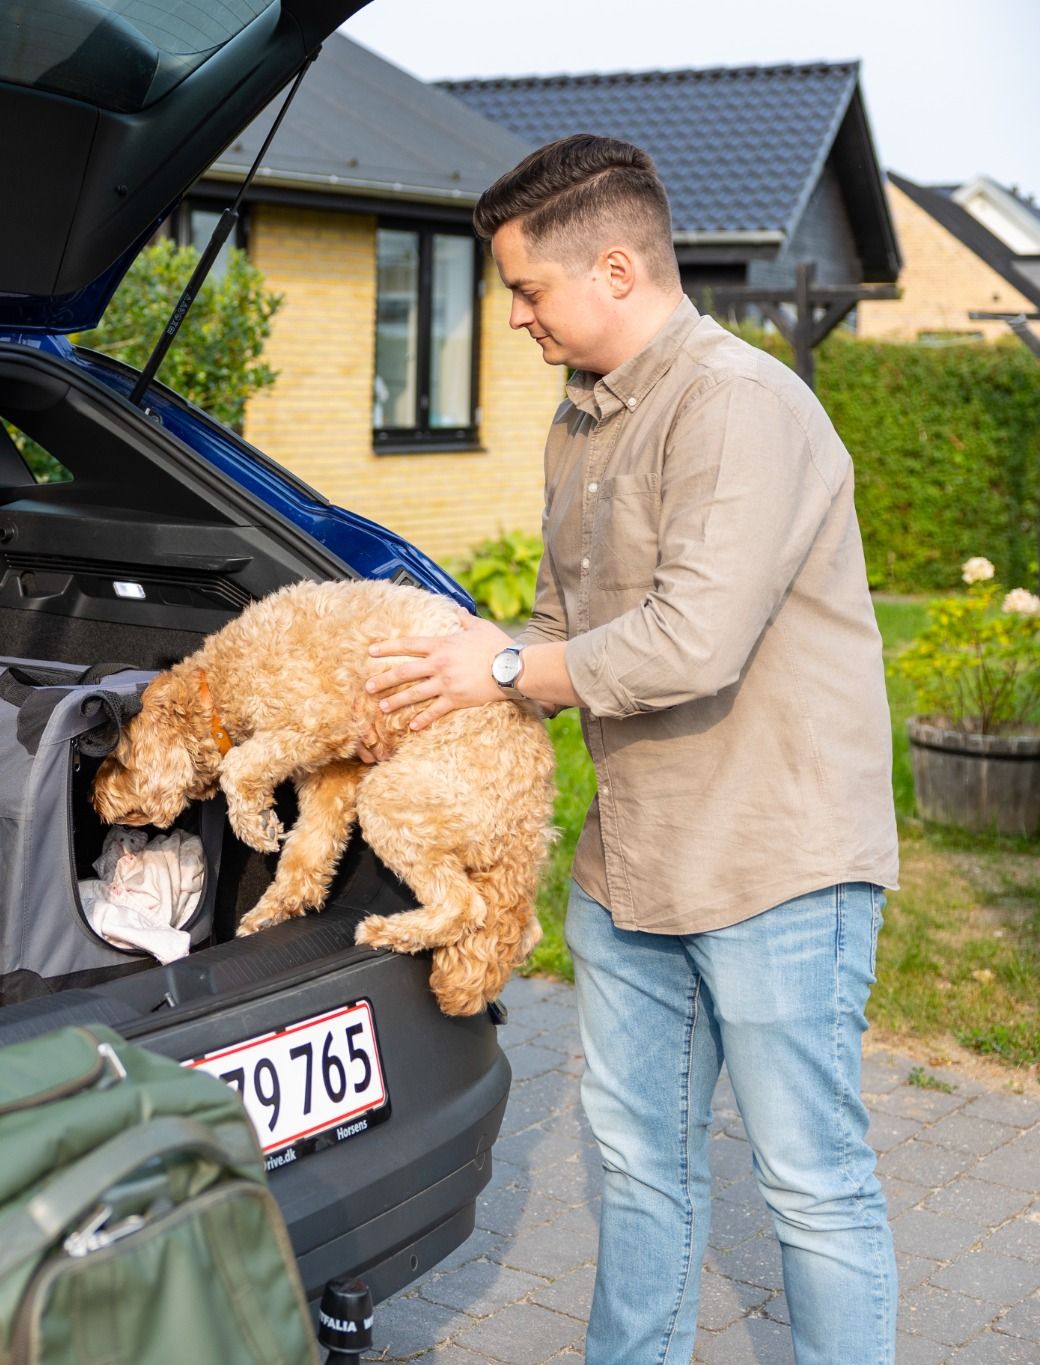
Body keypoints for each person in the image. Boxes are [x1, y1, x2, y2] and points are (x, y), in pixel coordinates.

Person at [359, 134, 901, 1365]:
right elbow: (559, 632)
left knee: (808, 1184)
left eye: (524, 290)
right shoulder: (574, 429)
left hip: (775, 872)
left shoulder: (740, 406)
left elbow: (687, 643)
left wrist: (500, 666)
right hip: (631, 869)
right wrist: (442, 683)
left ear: (613, 268)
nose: (512, 320)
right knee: (637, 1165)